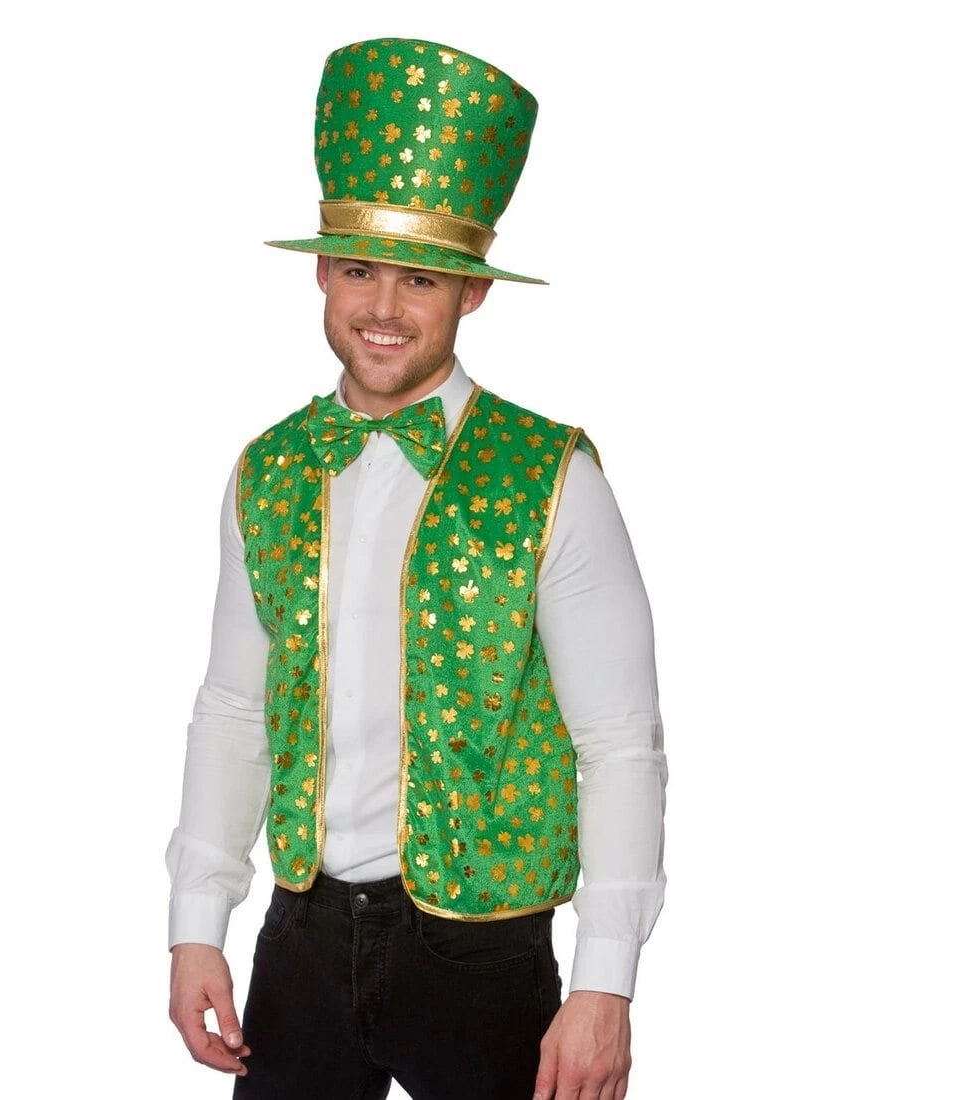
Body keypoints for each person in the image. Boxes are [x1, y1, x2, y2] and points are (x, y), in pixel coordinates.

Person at [166, 36, 668, 1100]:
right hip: (299, 938)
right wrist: (197, 922)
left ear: (471, 291)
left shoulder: (550, 476)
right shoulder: (269, 470)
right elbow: (233, 707)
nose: (384, 308)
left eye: (421, 278)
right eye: (359, 269)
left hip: (483, 953)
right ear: (321, 271)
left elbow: (619, 741)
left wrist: (604, 983)